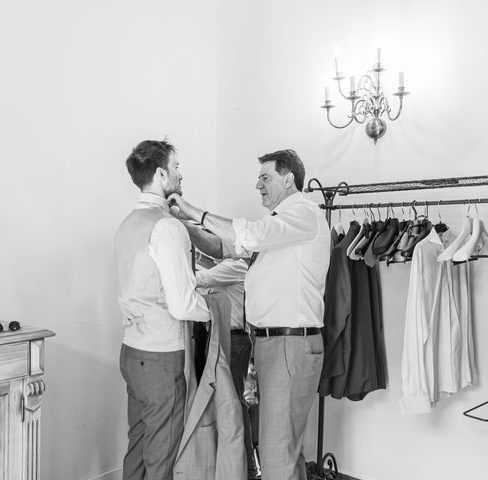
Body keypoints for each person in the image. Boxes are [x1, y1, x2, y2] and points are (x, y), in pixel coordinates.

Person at [169, 149, 330, 480]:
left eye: (265, 177)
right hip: (274, 346)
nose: (257, 185)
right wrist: (184, 225)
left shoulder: (303, 213)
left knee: (274, 453)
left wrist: (193, 211)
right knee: (285, 450)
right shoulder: (280, 226)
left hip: (290, 346)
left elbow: (251, 235)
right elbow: (222, 247)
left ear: (289, 179)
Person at [114, 139, 210, 480]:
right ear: (160, 173)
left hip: (131, 351)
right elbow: (183, 303)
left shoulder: (126, 224)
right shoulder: (168, 227)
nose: (180, 174)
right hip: (160, 356)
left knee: (138, 445)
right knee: (162, 455)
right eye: (176, 167)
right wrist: (216, 309)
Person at [194, 255, 261, 480]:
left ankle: (247, 468)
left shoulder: (234, 266)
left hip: (233, 341)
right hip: (231, 339)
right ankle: (243, 467)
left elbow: (199, 279)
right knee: (233, 405)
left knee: (233, 406)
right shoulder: (230, 267)